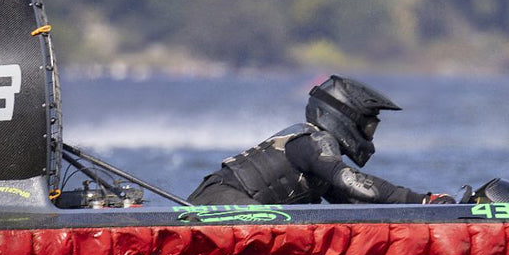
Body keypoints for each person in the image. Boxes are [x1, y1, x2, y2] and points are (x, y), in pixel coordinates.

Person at [186, 74, 455, 206]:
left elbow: (357, 206)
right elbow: (353, 182)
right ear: (345, 116)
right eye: (368, 126)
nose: (370, 136)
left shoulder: (322, 170)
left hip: (232, 207)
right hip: (218, 201)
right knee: (276, 229)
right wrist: (421, 200)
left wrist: (433, 216)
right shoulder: (315, 142)